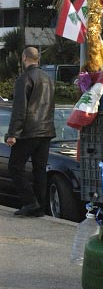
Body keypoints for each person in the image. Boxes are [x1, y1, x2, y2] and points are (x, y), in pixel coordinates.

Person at [5, 46, 55, 217]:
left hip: (29, 131)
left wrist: (13, 134)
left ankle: (29, 202)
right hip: (47, 130)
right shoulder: (49, 79)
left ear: (24, 58)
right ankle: (39, 207)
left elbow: (20, 109)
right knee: (39, 170)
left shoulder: (24, 79)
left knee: (15, 166)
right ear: (38, 59)